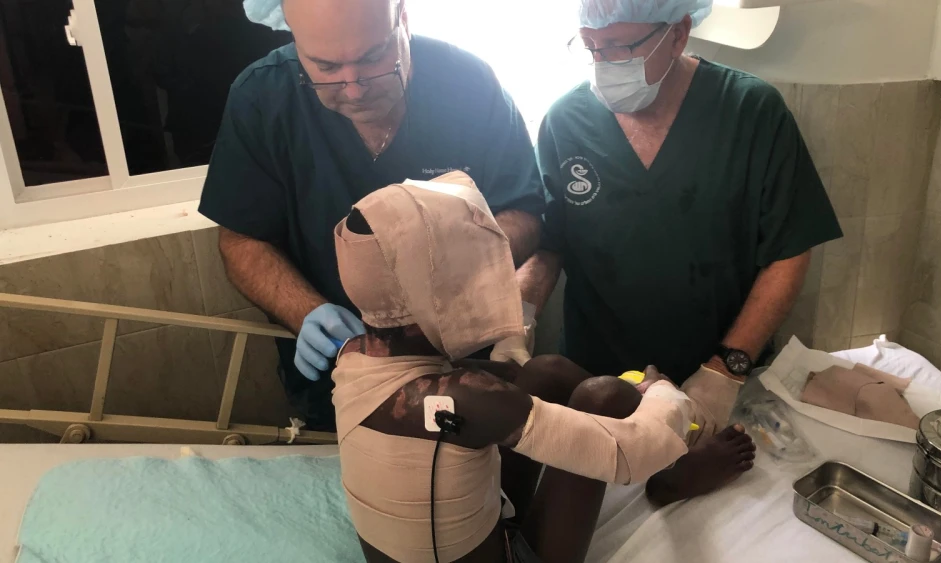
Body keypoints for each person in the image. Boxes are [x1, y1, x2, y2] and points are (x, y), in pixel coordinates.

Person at [331, 171, 755, 563]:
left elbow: (465, 390)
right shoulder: (461, 398)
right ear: (434, 290)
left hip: (475, 524)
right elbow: (628, 451)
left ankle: (675, 457)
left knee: (544, 372)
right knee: (604, 396)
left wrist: (510, 366)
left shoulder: (354, 353)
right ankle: (674, 465)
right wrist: (664, 394)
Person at [518, 0, 842, 496]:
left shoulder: (751, 112)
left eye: (622, 47)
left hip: (718, 382)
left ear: (678, 33)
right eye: (591, 48)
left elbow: (788, 249)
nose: (606, 64)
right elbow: (550, 246)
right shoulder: (566, 122)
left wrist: (724, 372)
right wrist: (517, 316)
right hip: (597, 384)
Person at [198, 0, 544, 430]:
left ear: (402, 17)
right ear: (291, 35)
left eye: (371, 58)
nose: (355, 87)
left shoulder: (468, 84)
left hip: (468, 369)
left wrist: (459, 274)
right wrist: (307, 313)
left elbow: (525, 212)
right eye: (325, 66)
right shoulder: (263, 98)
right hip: (344, 380)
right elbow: (242, 240)